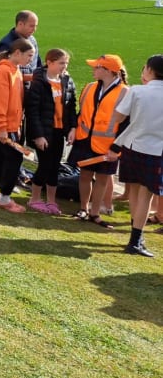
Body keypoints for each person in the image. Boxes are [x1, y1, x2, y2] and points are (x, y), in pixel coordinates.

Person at [105, 55, 163, 257]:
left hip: (132, 146)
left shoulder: (137, 91)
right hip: (156, 151)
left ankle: (135, 236)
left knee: (136, 193)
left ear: (149, 70)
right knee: (145, 197)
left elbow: (119, 117)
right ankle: (135, 240)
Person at [68, 55, 129, 227]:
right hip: (85, 139)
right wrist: (73, 129)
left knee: (102, 178)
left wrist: (116, 148)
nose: (93, 70)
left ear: (108, 71)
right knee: (85, 175)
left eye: (97, 67)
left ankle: (95, 213)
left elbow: (126, 124)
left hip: (108, 145)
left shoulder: (125, 92)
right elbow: (80, 113)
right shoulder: (89, 87)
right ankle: (83, 209)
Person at [0, 38, 36, 212]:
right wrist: (1, 127)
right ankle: (5, 198)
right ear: (17, 53)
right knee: (14, 160)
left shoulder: (14, 70)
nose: (31, 60)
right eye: (29, 55)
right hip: (7, 126)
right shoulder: (5, 71)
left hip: (10, 124)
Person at [24, 49, 77, 215]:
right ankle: (34, 199)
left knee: (55, 166)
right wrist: (38, 135)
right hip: (44, 131)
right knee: (45, 165)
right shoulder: (39, 81)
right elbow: (32, 111)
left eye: (66, 63)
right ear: (50, 62)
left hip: (58, 130)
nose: (64, 66)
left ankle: (51, 201)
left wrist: (72, 128)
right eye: (61, 63)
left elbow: (70, 107)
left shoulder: (67, 81)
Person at [0, 10, 41, 81]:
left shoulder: (32, 39)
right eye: (31, 26)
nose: (34, 29)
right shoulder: (6, 44)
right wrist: (32, 77)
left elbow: (37, 63)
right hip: (17, 88)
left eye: (36, 26)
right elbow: (4, 73)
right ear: (20, 24)